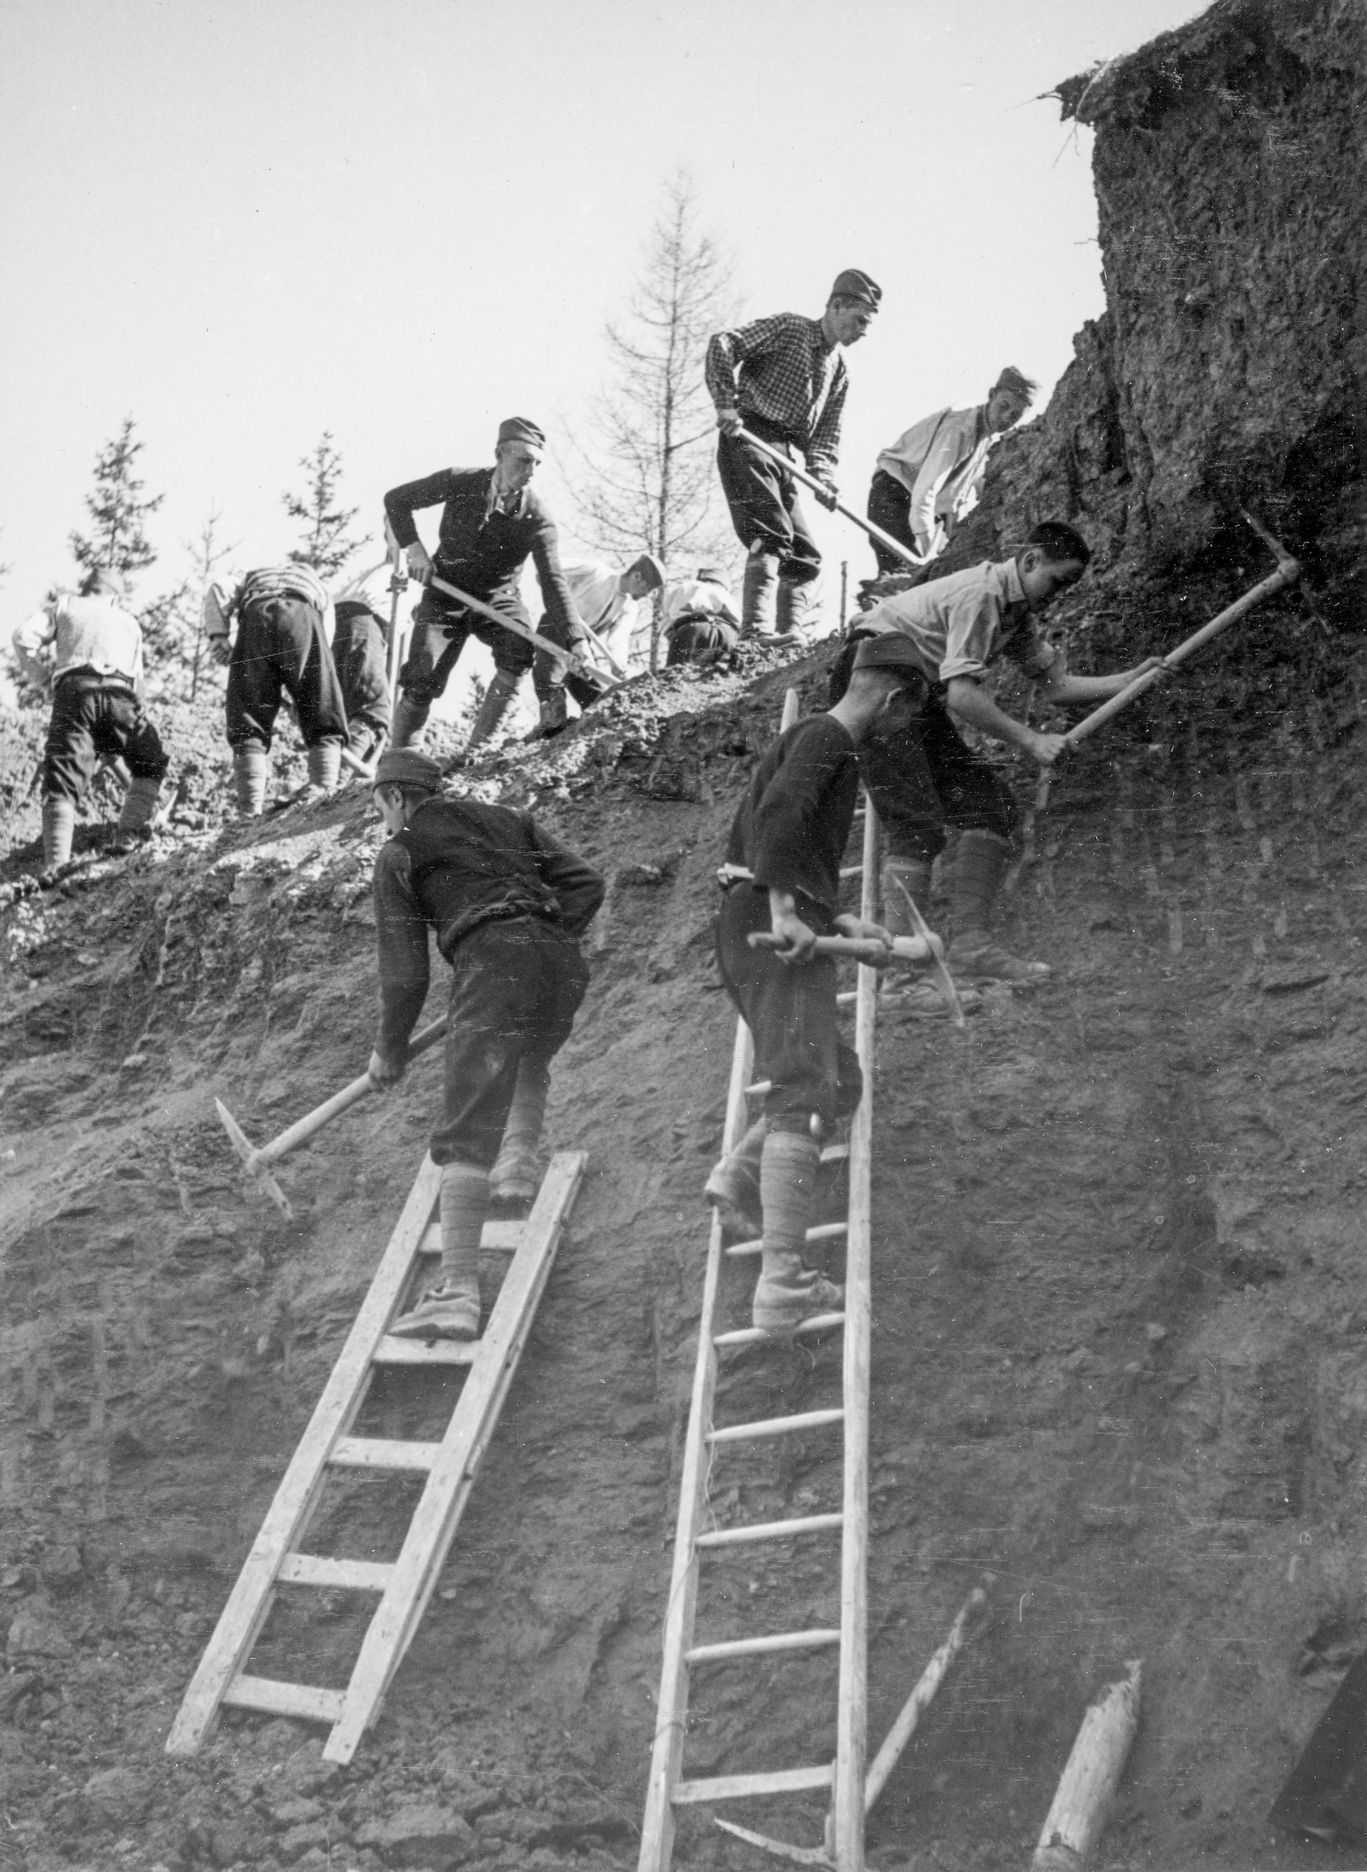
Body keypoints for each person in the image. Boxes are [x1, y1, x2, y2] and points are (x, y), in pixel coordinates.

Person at [707, 635, 937, 1335]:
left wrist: (841, 918)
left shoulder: (818, 741)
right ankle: (783, 1283)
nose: (901, 731)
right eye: (906, 717)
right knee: (805, 1091)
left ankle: (738, 1174)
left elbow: (784, 844)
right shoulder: (827, 736)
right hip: (765, 920)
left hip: (768, 914)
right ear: (895, 699)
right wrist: (784, 911)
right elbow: (775, 820)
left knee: (840, 1077)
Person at [836, 521, 1164, 987]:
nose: (1058, 595)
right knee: (914, 824)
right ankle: (900, 978)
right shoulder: (983, 594)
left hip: (914, 690)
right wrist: (1031, 741)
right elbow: (963, 698)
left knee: (988, 807)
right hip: (872, 677)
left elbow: (1056, 686)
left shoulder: (1017, 616)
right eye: (1056, 581)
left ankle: (971, 946)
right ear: (1030, 561)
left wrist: (1128, 679)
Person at [366, 749, 605, 1340]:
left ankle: (457, 1292)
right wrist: (539, 936)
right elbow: (586, 882)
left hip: (493, 963)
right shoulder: (509, 818)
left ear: (396, 797)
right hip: (560, 962)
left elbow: (405, 976)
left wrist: (389, 1048)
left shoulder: (399, 853)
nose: (383, 822)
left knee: (466, 1128)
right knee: (529, 1053)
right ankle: (518, 1167)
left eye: (380, 808)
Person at [383, 418, 589, 754]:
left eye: (537, 463)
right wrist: (415, 550)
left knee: (519, 646)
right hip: (445, 589)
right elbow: (396, 500)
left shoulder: (538, 519)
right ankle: (402, 758)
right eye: (524, 460)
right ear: (499, 453)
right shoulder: (460, 482)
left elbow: (554, 582)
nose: (531, 470)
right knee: (422, 672)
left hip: (498, 597)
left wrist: (576, 639)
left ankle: (477, 751)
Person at [705, 270, 881, 638]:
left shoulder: (840, 370)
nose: (864, 330)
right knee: (770, 532)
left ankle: (790, 639)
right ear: (836, 306)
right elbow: (723, 343)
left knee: (804, 553)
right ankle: (755, 633)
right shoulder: (790, 329)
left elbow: (825, 436)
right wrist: (726, 404)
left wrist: (824, 478)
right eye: (860, 319)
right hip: (748, 436)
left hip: (784, 455)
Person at [12, 568, 170, 876]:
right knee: (150, 761)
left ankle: (56, 867)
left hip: (75, 691)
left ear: (88, 589)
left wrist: (43, 680)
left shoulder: (66, 605)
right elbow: (139, 683)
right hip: (120, 694)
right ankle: (128, 837)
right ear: (114, 596)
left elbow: (22, 637)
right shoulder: (128, 622)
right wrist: (124, 731)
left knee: (62, 781)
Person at [203, 561, 348, 816]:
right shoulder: (318, 586)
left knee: (248, 713)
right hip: (303, 614)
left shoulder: (251, 573)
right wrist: (305, 697)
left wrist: (219, 636)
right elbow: (325, 638)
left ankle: (250, 809)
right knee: (323, 707)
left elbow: (219, 587)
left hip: (256, 615)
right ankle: (324, 790)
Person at [867, 367, 1037, 575]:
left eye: (1015, 415)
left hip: (920, 508)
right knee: (904, 579)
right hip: (895, 495)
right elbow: (925, 491)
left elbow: (958, 499)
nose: (1006, 417)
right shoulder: (960, 428)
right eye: (1004, 406)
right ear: (991, 395)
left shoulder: (987, 438)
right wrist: (929, 553)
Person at [531, 551, 665, 735]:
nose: (645, 595)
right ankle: (553, 724)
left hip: (582, 643)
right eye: (647, 589)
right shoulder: (596, 571)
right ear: (636, 576)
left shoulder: (628, 607)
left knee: (588, 683)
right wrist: (550, 587)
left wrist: (619, 667)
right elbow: (550, 567)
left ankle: (600, 722)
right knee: (551, 674)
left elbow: (617, 642)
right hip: (556, 623)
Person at [330, 595, 393, 764]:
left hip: (339, 621)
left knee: (346, 713)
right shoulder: (409, 577)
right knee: (373, 708)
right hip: (363, 621)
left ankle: (331, 778)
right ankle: (337, 780)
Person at [663, 566, 741, 668]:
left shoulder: (690, 586)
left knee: (677, 674)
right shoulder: (729, 598)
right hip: (727, 634)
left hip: (694, 630)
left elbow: (671, 615)